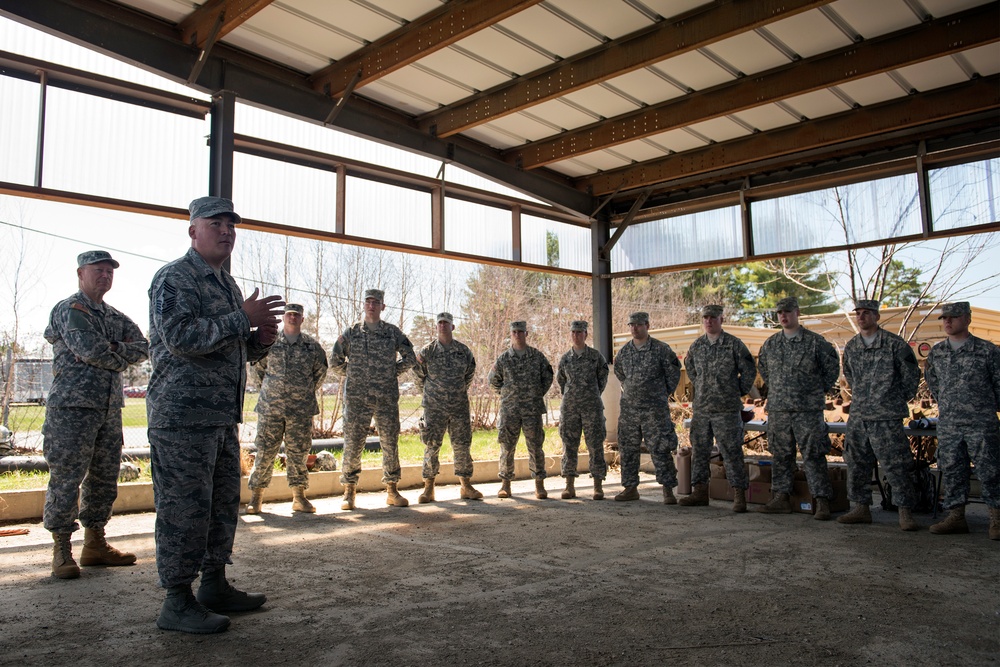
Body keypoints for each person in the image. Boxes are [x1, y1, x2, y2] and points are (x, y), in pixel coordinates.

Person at [147, 196, 284, 634]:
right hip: (182, 418)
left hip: (221, 419)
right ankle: (176, 600)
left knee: (221, 506)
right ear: (193, 231)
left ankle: (214, 584)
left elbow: (232, 348)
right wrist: (240, 318)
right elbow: (181, 338)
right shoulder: (174, 278)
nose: (226, 230)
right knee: (183, 510)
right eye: (216, 223)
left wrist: (260, 338)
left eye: (231, 224)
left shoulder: (226, 284)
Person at [42, 250, 149, 579]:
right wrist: (117, 349)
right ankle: (61, 547)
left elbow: (143, 346)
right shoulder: (70, 309)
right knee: (67, 479)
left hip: (107, 408)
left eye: (109, 271)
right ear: (80, 273)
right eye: (98, 270)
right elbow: (90, 351)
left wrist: (112, 347)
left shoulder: (114, 316)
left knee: (104, 478)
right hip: (72, 409)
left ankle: (95, 543)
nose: (105, 275)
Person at [839, 299, 921, 531]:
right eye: (859, 313)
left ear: (877, 316)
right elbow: (850, 376)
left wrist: (891, 400)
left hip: (886, 417)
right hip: (859, 416)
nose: (862, 317)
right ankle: (860, 508)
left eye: (867, 313)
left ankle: (905, 512)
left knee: (896, 464)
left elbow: (911, 377)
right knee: (856, 463)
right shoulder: (853, 346)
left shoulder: (895, 345)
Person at [330, 288, 416, 509]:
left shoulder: (392, 333)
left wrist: (391, 372)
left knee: (389, 441)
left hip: (385, 396)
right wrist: (353, 373)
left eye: (376, 302)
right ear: (364, 305)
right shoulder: (352, 333)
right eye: (368, 301)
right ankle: (349, 492)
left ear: (382, 307)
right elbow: (335, 360)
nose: (371, 305)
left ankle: (392, 490)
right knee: (353, 442)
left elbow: (410, 357)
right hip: (357, 398)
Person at [756, 296, 840, 520]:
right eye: (780, 313)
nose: (783, 316)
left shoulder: (815, 342)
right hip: (780, 410)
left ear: (797, 313)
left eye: (788, 312)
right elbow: (765, 371)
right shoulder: (771, 344)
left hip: (807, 410)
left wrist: (812, 391)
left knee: (813, 454)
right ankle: (781, 497)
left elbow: (831, 370)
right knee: (781, 455)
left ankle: (821, 500)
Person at [925, 302, 1000, 540]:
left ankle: (996, 519)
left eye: (954, 317)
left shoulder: (988, 351)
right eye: (945, 318)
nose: (948, 322)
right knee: (953, 470)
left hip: (981, 423)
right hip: (950, 425)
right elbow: (933, 383)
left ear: (967, 319)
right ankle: (956, 517)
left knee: (990, 471)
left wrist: (984, 409)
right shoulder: (937, 353)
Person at [246, 303, 329, 515]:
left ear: (302, 319)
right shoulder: (270, 342)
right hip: (270, 408)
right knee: (265, 451)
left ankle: (299, 497)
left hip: (300, 410)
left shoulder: (312, 346)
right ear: (284, 318)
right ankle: (256, 498)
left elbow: (319, 373)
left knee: (299, 453)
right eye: (289, 314)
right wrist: (271, 390)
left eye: (297, 315)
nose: (293, 318)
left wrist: (301, 392)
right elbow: (257, 372)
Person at [679, 304, 757, 512]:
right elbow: (692, 370)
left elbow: (749, 370)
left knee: (731, 451)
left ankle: (739, 495)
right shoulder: (697, 346)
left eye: (713, 317)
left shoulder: (733, 345)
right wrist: (703, 388)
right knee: (700, 451)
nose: (709, 321)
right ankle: (700, 492)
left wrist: (737, 390)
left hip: (727, 409)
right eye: (705, 318)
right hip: (703, 409)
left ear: (721, 319)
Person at [412, 312, 483, 503]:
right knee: (431, 446)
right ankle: (428, 488)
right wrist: (430, 393)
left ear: (453, 327)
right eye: (440, 323)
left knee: (462, 445)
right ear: (436, 326)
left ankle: (466, 486)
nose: (443, 325)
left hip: (458, 406)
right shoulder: (427, 352)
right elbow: (418, 376)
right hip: (434, 407)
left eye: (446, 323)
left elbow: (469, 374)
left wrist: (456, 391)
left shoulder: (463, 351)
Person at [614, 311, 682, 504]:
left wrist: (659, 394)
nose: (635, 328)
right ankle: (630, 488)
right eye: (631, 325)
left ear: (647, 326)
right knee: (628, 449)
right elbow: (621, 375)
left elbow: (673, 375)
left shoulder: (661, 349)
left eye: (639, 324)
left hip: (655, 410)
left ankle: (668, 490)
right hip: (629, 410)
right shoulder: (624, 352)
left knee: (660, 448)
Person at [488, 321, 554, 499]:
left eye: (520, 331)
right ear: (511, 334)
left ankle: (539, 484)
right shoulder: (504, 358)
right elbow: (492, 380)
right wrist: (506, 394)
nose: (517, 334)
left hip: (532, 410)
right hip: (510, 411)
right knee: (507, 448)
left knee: (535, 447)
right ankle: (505, 484)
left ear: (526, 333)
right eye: (514, 332)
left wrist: (537, 393)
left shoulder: (536, 356)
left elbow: (548, 375)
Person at [556, 320, 609, 500]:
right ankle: (569, 486)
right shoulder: (565, 358)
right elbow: (561, 381)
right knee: (569, 445)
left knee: (595, 445)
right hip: (570, 408)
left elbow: (602, 379)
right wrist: (573, 396)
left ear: (586, 334)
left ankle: (597, 486)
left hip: (592, 408)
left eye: (580, 332)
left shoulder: (596, 357)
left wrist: (591, 394)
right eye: (573, 332)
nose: (576, 335)